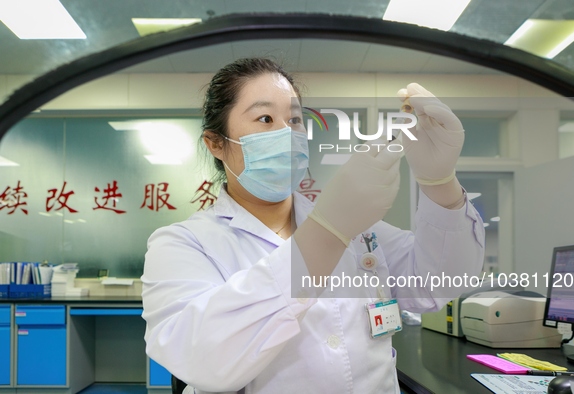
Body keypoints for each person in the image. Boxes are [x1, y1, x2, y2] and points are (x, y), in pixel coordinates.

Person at [141, 57, 484, 394]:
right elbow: (203, 362)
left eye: (293, 120)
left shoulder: (360, 232)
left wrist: (440, 184)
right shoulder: (183, 244)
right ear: (216, 143)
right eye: (265, 118)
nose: (285, 134)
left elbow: (437, 283)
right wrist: (327, 232)